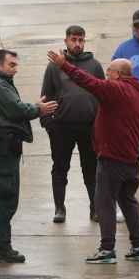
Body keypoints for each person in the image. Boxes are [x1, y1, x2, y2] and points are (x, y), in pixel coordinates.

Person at [48, 50, 139, 265]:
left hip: (113, 158)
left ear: (119, 74)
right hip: (131, 159)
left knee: (104, 202)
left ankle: (107, 249)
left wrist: (64, 65)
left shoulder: (116, 89)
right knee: (129, 200)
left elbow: (89, 82)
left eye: (110, 71)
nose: (107, 75)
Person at [0, 49, 58, 263]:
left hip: (2, 145)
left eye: (16, 65)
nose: (15, 69)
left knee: (0, 196)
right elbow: (17, 109)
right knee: (6, 197)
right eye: (11, 65)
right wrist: (39, 109)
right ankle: (1, 247)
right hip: (3, 146)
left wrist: (35, 108)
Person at [41, 25, 105, 224]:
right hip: (61, 127)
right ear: (66, 41)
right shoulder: (54, 67)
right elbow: (45, 97)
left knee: (92, 169)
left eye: (81, 40)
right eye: (74, 40)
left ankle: (95, 208)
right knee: (60, 168)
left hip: (89, 127)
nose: (77, 43)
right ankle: (60, 208)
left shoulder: (94, 65)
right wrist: (48, 124)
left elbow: (104, 95)